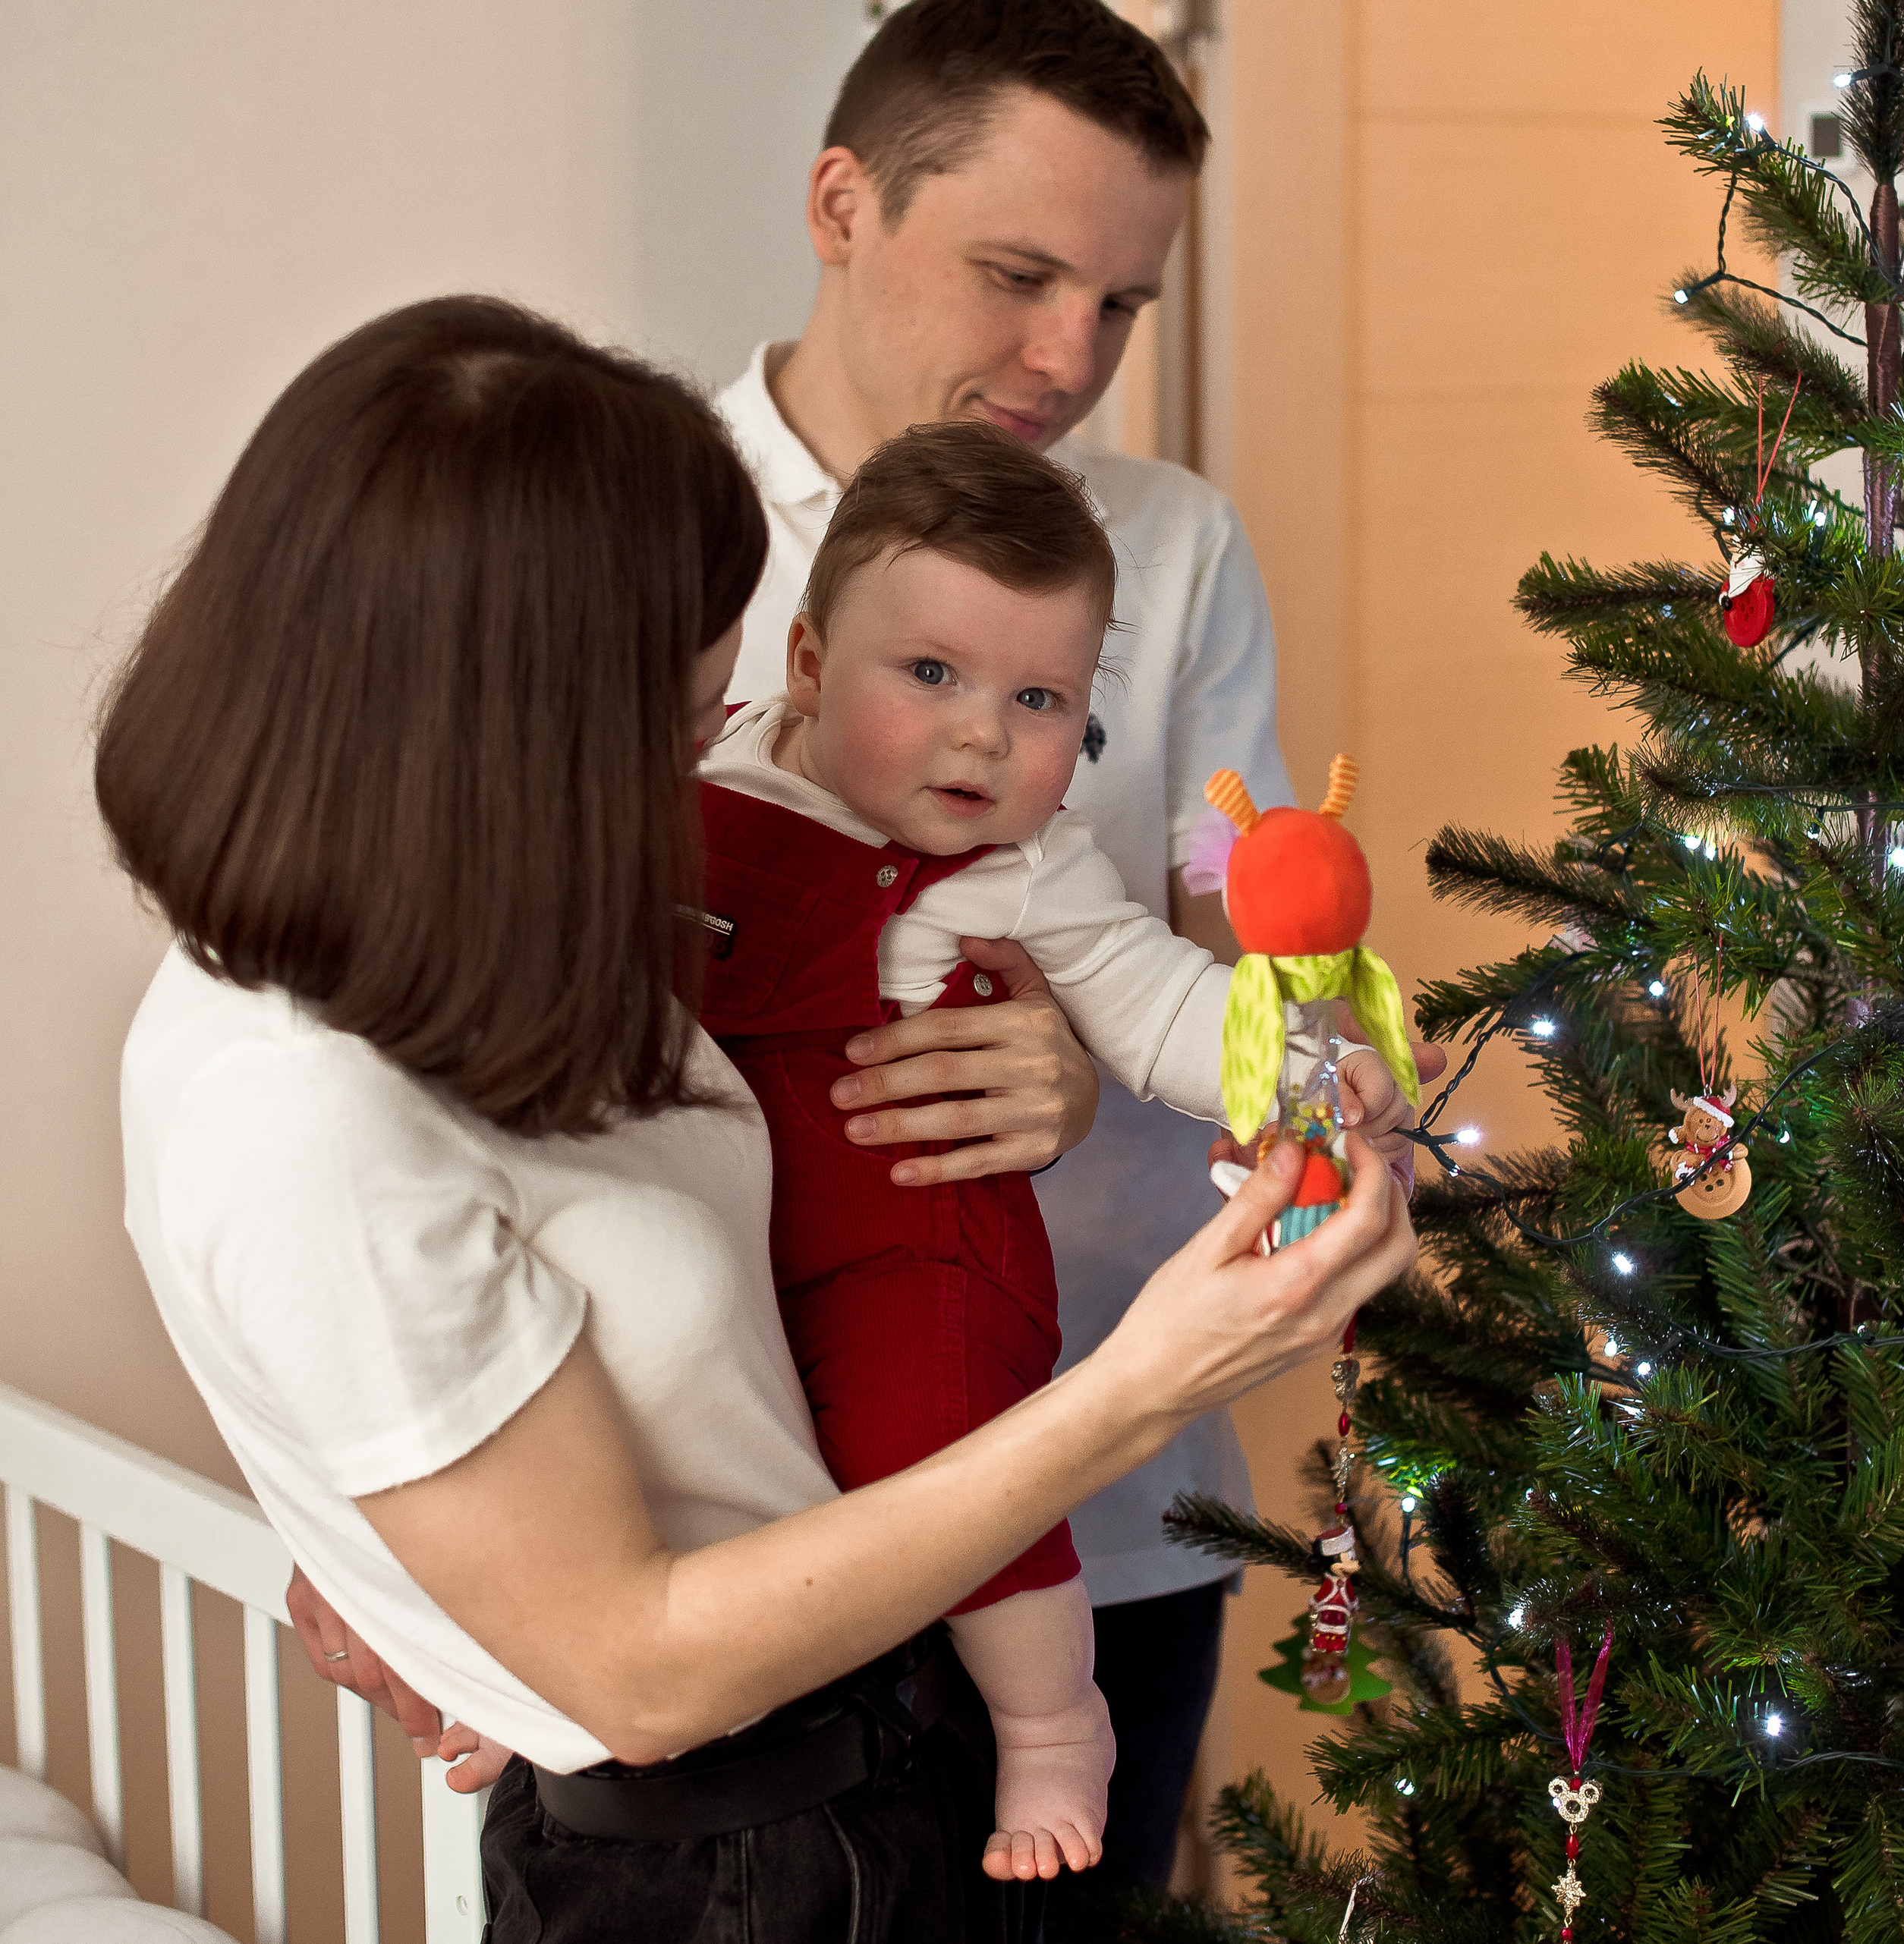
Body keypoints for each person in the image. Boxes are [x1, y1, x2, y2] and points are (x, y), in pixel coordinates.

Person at [100, 297, 1416, 1941]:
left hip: (871, 1738)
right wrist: (1146, 1383)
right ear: (508, 744)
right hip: (732, 1850)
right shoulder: (304, 1111)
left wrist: (1152, 1067)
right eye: (673, 727)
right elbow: (636, 1668)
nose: (704, 768)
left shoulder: (487, 934)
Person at [713, 0, 1443, 1890]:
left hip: (1092, 1481)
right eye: (1017, 275)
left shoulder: (1171, 549)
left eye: (1119, 303)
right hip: (716, 1506)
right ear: (842, 204)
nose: (1067, 359)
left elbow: (1221, 976)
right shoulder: (646, 516)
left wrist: (1279, 1085)